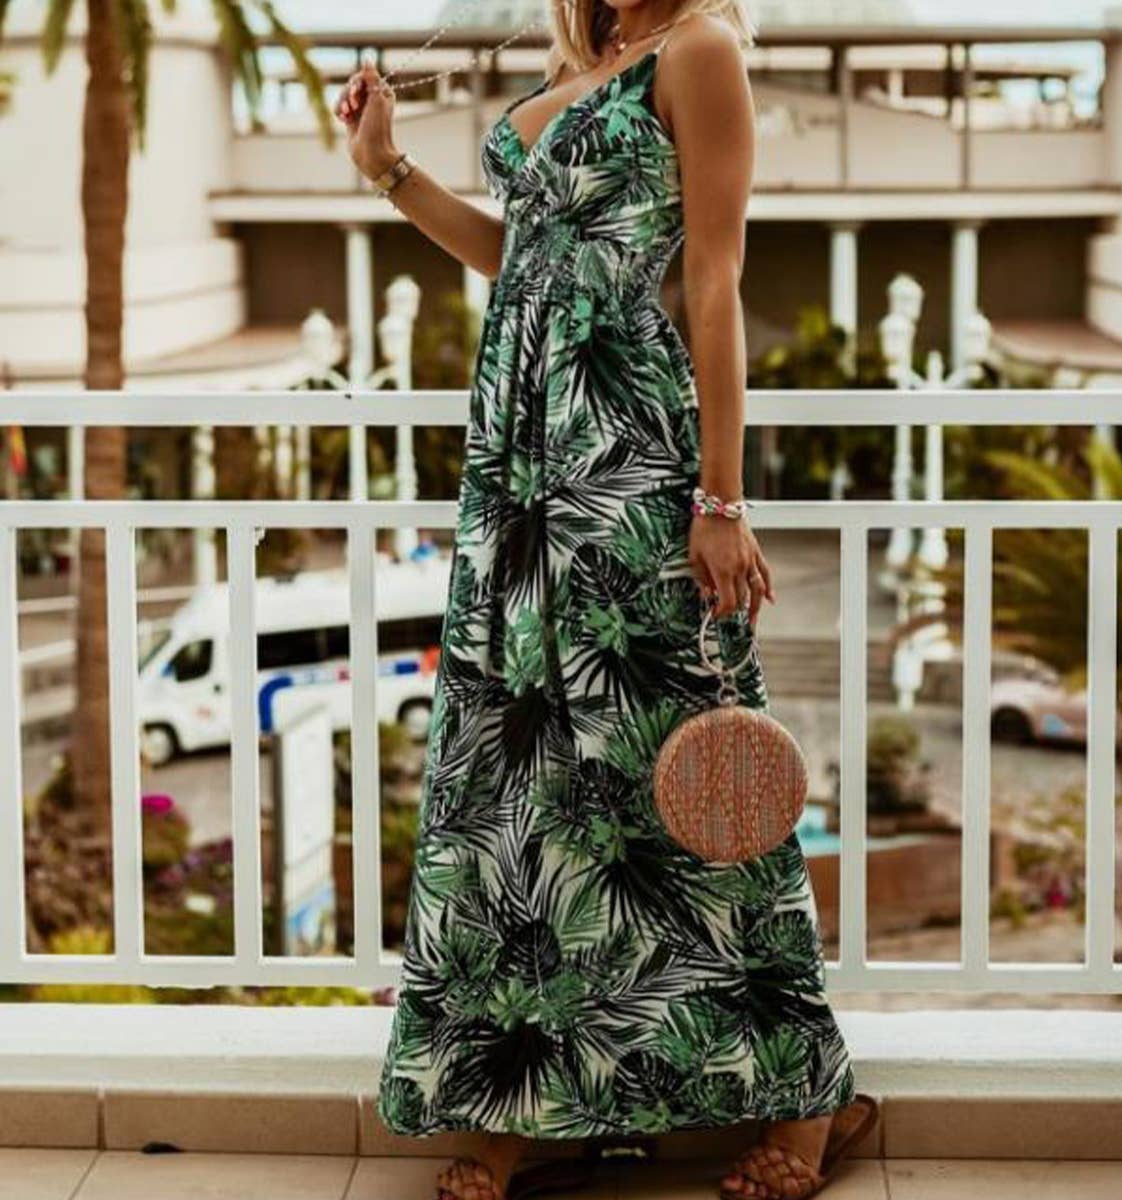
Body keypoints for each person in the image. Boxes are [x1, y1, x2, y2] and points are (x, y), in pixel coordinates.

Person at [336, 2, 877, 1197]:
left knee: (680, 766)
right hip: (520, 466)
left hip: (626, 452)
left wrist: (721, 498)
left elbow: (715, 280)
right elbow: (518, 259)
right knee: (521, 770)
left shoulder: (701, 48)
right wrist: (390, 169)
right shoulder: (583, 61)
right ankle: (527, 1100)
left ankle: (809, 1099)